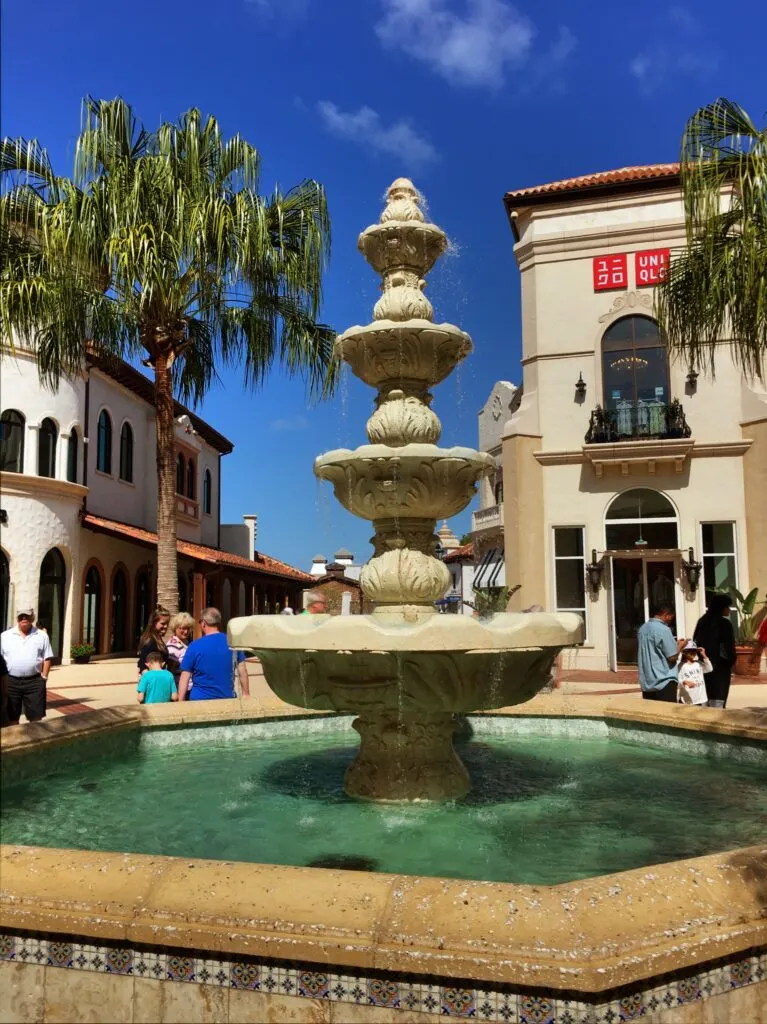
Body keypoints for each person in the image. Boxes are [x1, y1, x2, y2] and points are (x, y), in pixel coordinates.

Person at [178, 607, 251, 702]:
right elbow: (242, 670)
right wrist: (246, 694)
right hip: (226, 700)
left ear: (203, 623)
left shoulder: (194, 646)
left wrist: (180, 702)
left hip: (199, 701)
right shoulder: (233, 643)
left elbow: (185, 676)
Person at [0, 608, 54, 724]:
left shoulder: (42, 635)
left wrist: (44, 678)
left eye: (27, 616)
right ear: (17, 619)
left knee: (36, 719)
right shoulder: (5, 636)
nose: (24, 618)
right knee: (12, 718)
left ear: (32, 618)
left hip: (34, 682)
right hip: (11, 682)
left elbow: (47, 657)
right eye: (21, 616)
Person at [693, 593, 737, 709]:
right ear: (721, 608)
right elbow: (727, 648)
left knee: (706, 697)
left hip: (704, 665)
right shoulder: (724, 624)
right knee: (718, 698)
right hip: (720, 667)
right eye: (727, 607)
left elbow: (695, 642)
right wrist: (731, 661)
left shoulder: (702, 621)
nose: (729, 610)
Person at [637, 604, 687, 701]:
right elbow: (672, 657)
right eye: (671, 617)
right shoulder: (664, 629)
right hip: (664, 681)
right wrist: (681, 645)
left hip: (648, 681)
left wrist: (674, 645)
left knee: (651, 714)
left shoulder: (643, 628)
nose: (671, 620)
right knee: (667, 714)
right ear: (666, 614)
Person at [137, 607, 171, 677]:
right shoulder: (151, 642)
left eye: (167, 623)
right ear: (154, 623)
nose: (166, 626)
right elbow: (143, 664)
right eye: (163, 623)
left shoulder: (157, 639)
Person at [677, 640, 712, 706]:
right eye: (689, 651)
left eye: (694, 651)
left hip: (700, 698)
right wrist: (684, 682)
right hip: (688, 699)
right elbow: (678, 680)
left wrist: (704, 655)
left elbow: (709, 669)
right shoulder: (681, 666)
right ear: (684, 652)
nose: (692, 653)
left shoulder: (698, 663)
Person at [165, 612, 194, 681]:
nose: (186, 631)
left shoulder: (188, 643)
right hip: (179, 685)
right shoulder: (172, 646)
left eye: (188, 628)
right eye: (183, 628)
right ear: (175, 628)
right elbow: (170, 670)